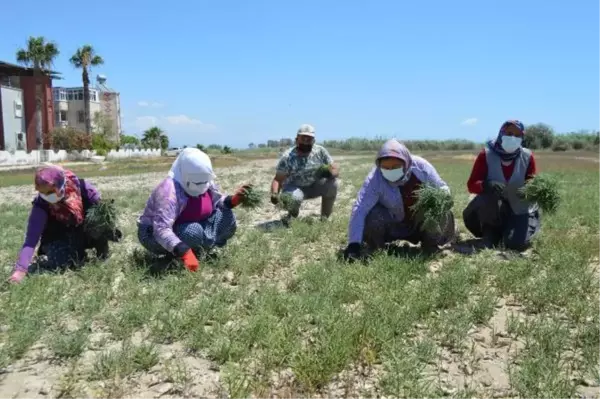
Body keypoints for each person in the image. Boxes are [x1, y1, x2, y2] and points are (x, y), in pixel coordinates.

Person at [137, 148, 251, 272]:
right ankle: (178, 254)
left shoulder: (206, 180)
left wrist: (233, 200)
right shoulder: (168, 191)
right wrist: (183, 251)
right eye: (196, 183)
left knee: (226, 215)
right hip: (154, 234)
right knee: (192, 231)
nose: (202, 186)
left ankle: (200, 249)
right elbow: (161, 229)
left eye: (205, 181)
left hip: (195, 223)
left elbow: (217, 201)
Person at [343, 139, 455, 261]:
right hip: (393, 224)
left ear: (405, 162)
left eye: (395, 167)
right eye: (385, 168)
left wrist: (445, 197)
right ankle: (377, 248)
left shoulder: (421, 167)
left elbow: (441, 187)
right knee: (372, 214)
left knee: (437, 208)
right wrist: (353, 245)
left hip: (420, 223)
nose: (390, 171)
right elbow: (360, 208)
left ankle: (430, 245)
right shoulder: (375, 179)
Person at [8, 165, 122, 283]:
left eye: (51, 192)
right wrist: (20, 270)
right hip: (60, 236)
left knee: (99, 220)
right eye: (42, 193)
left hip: (85, 230)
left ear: (62, 184)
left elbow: (102, 211)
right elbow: (31, 240)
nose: (47, 197)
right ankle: (77, 253)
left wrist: (108, 227)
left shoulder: (83, 187)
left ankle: (102, 253)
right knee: (63, 263)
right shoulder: (41, 205)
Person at [462, 120, 539, 251]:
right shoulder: (486, 155)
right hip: (492, 209)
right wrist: (486, 185)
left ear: (522, 137)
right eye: (509, 133)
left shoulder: (527, 156)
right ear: (501, 133)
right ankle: (490, 232)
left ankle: (520, 226)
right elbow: (472, 185)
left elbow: (533, 183)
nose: (513, 138)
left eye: (517, 135)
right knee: (487, 196)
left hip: (518, 207)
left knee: (514, 244)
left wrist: (528, 190)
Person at [269, 124, 339, 221]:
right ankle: (292, 215)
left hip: (315, 186)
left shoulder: (320, 151)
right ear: (297, 139)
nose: (306, 142)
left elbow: (334, 167)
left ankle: (324, 218)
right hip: (294, 188)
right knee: (294, 198)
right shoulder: (287, 157)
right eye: (303, 138)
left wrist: (330, 172)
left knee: (333, 184)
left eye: (309, 139)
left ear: (313, 141)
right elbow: (278, 179)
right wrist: (274, 194)